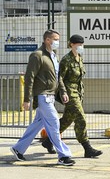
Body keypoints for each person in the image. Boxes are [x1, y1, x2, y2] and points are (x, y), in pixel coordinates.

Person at [10, 29, 75, 166]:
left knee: (36, 125)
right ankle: (63, 155)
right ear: (47, 40)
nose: (58, 42)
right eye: (55, 39)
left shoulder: (53, 56)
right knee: (54, 123)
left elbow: (58, 77)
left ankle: (18, 149)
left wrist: (63, 91)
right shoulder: (37, 55)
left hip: (50, 95)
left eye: (58, 39)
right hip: (43, 96)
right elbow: (29, 77)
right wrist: (27, 99)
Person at [42, 34, 103, 158]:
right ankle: (87, 147)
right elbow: (60, 78)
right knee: (80, 117)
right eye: (78, 44)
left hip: (78, 92)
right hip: (69, 93)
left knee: (67, 119)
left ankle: (48, 141)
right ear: (72, 45)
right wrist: (63, 92)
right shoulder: (66, 60)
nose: (81, 46)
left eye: (82, 44)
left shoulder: (79, 58)